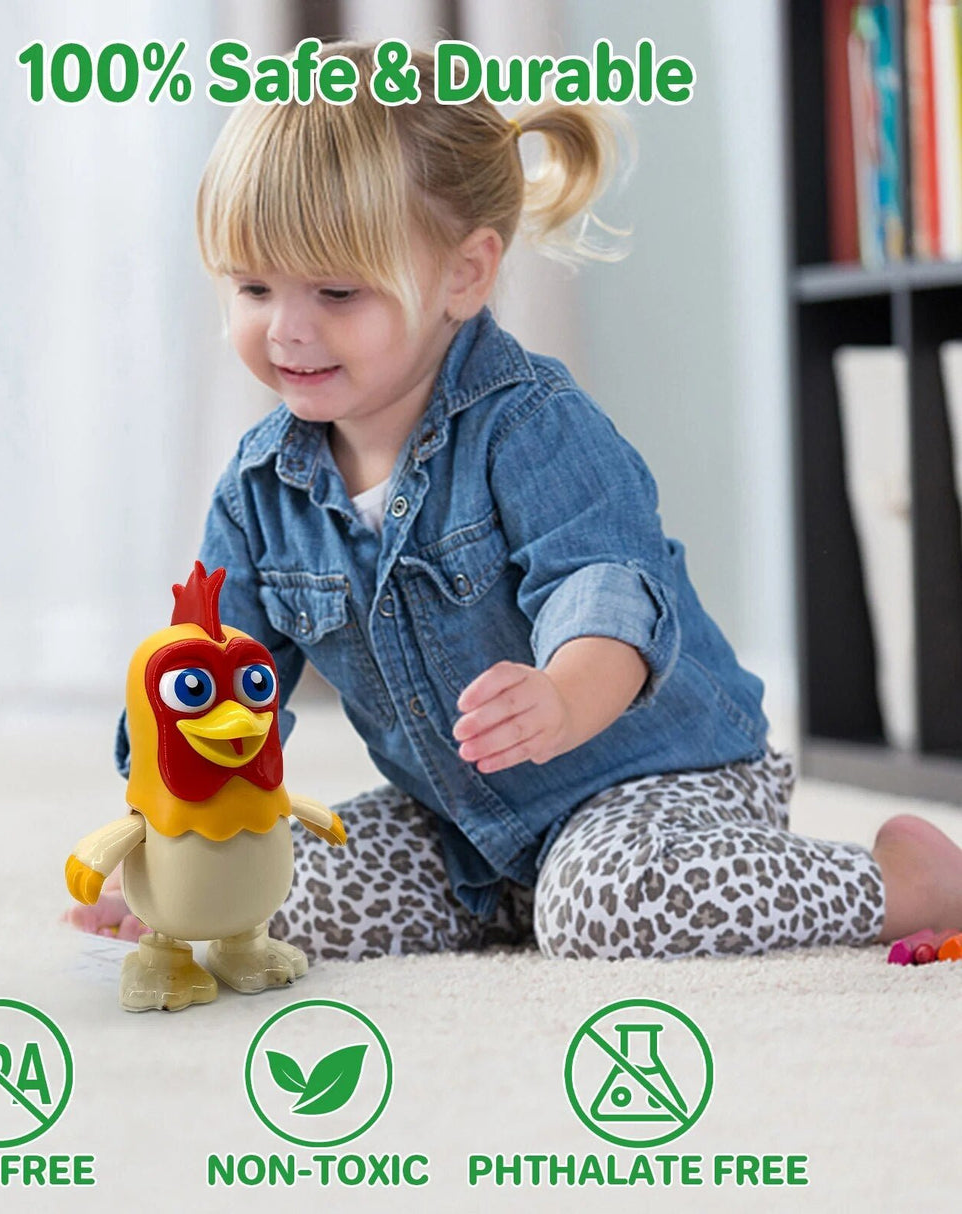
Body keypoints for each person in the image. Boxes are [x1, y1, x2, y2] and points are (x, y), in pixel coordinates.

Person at [69, 41, 962, 961]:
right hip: (462, 826)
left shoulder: (529, 424)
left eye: (336, 291)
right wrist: (179, 833)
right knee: (268, 882)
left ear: (465, 272)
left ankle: (903, 882)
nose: (286, 329)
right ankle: (503, 907)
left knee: (607, 909)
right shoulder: (260, 489)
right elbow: (218, 669)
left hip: (647, 781)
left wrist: (563, 697)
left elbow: (604, 585)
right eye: (253, 287)